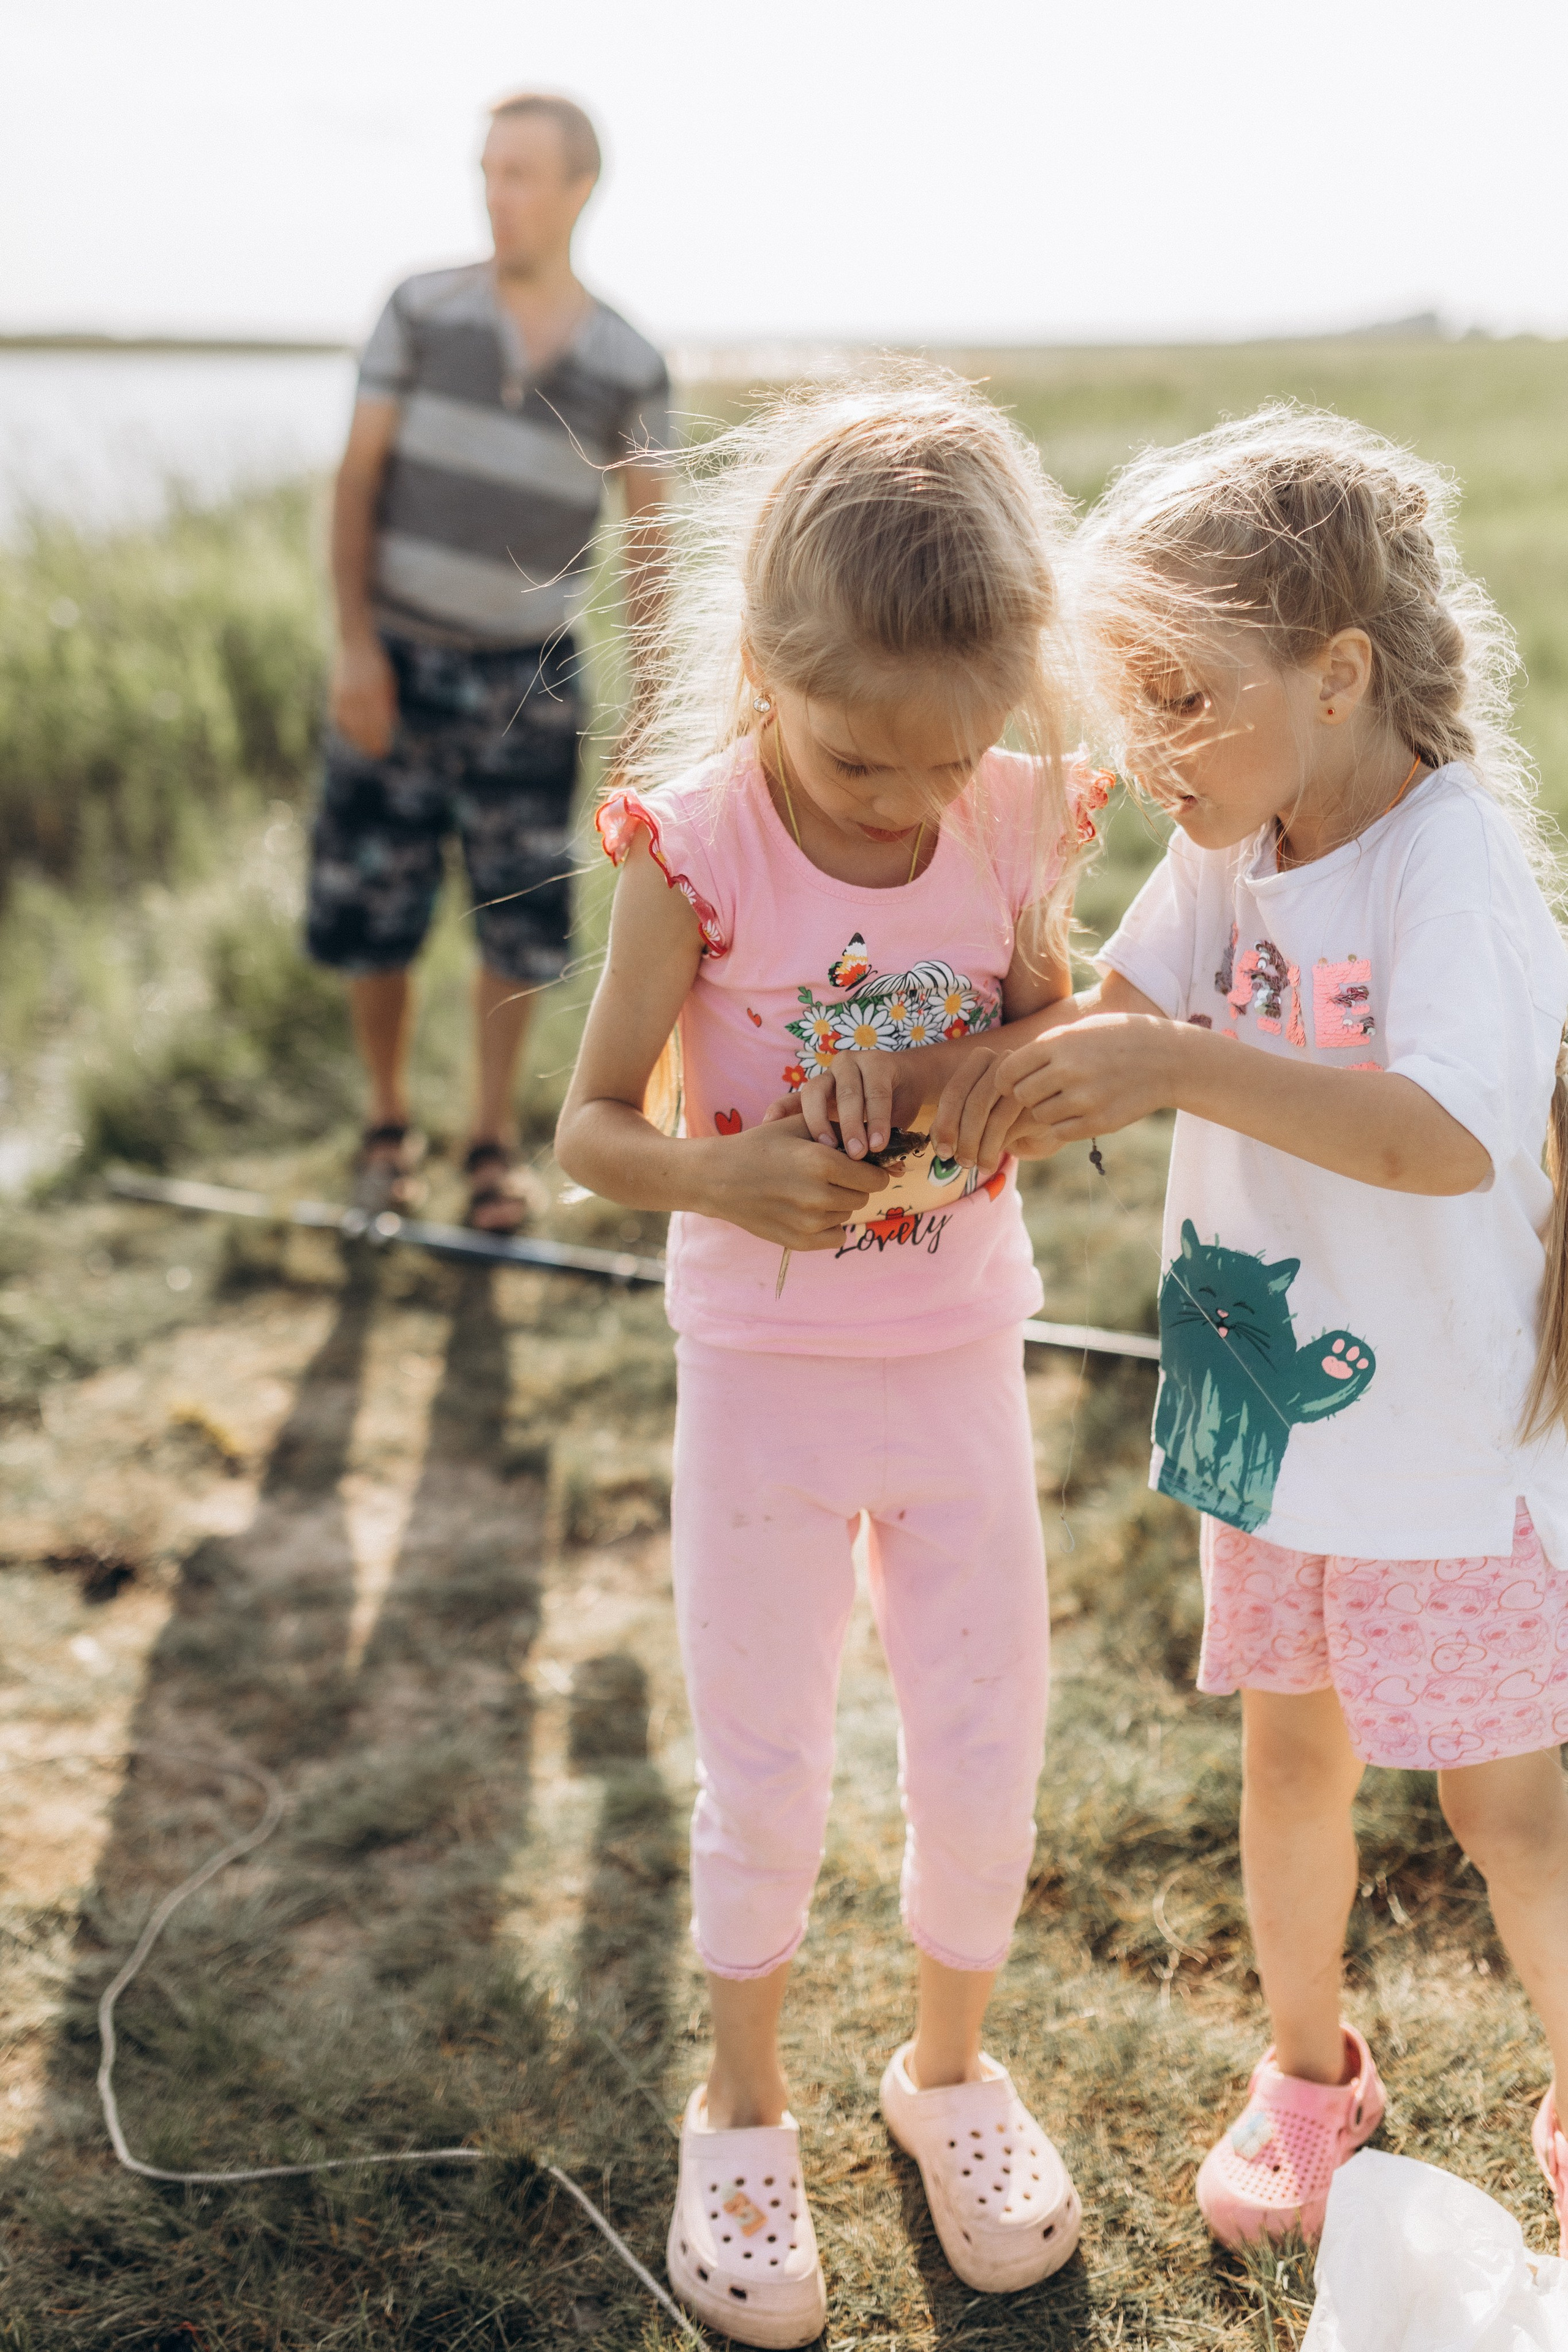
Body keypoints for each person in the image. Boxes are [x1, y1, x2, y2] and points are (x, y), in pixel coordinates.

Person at [555, 371, 1106, 2345]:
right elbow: (590, 1129)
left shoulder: (1011, 812)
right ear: (764, 668)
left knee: (983, 1739)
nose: (902, 800)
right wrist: (731, 1174)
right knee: (769, 1764)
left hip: (960, 1359)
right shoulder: (697, 846)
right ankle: (741, 2106)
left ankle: (948, 2072)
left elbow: (1058, 1039)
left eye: (945, 762)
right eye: (865, 759)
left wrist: (961, 1068)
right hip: (764, 1389)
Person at [989, 407, 1568, 2257]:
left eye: (1180, 698)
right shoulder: (1239, 831)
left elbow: (1441, 1133)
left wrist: (1178, 1067)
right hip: (1272, 1418)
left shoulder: (1443, 867)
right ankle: (1311, 2076)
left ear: (1338, 672)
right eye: (1129, 703)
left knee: (1504, 1808)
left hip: (1442, 1446)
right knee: (1288, 1756)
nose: (1149, 746)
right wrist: (944, 1051)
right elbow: (1120, 1014)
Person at [306, 90, 671, 1229]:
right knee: (377, 906)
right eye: (487, 172)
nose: (495, 195)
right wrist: (355, 648)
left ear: (579, 188)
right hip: (397, 661)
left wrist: (651, 708)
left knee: (517, 923)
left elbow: (652, 548)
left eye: (519, 173)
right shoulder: (419, 310)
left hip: (534, 679)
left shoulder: (629, 360)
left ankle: (488, 1146)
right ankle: (385, 1130)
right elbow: (356, 481)